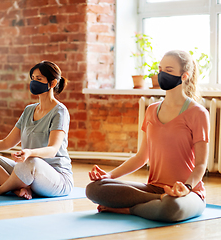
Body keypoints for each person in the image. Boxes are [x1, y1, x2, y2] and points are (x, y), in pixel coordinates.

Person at [86, 50, 209, 222]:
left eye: (168, 70)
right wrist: (110, 176)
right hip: (153, 189)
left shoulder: (198, 113)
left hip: (188, 194)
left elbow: (201, 164)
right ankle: (156, 202)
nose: (161, 74)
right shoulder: (151, 110)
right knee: (94, 189)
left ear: (184, 76)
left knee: (172, 207)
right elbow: (141, 157)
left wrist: (186, 188)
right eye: (160, 69)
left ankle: (129, 210)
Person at [0, 60, 73, 200]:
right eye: (33, 78)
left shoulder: (60, 112)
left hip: (56, 179)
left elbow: (52, 150)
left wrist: (29, 152)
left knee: (30, 162)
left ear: (52, 83)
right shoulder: (29, 110)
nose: (34, 82)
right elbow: (6, 143)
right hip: (27, 171)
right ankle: (19, 189)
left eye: (39, 79)